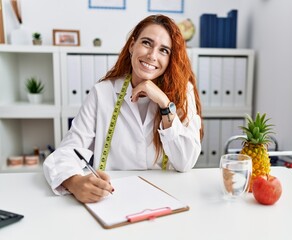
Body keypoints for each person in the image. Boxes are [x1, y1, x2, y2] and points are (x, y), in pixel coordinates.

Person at [43, 14, 203, 203]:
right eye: (146, 43)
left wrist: (165, 104)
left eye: (164, 50)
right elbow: (67, 152)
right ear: (131, 46)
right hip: (112, 198)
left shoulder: (183, 93)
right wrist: (74, 182)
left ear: (170, 59)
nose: (152, 55)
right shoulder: (102, 93)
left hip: (166, 198)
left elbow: (185, 162)